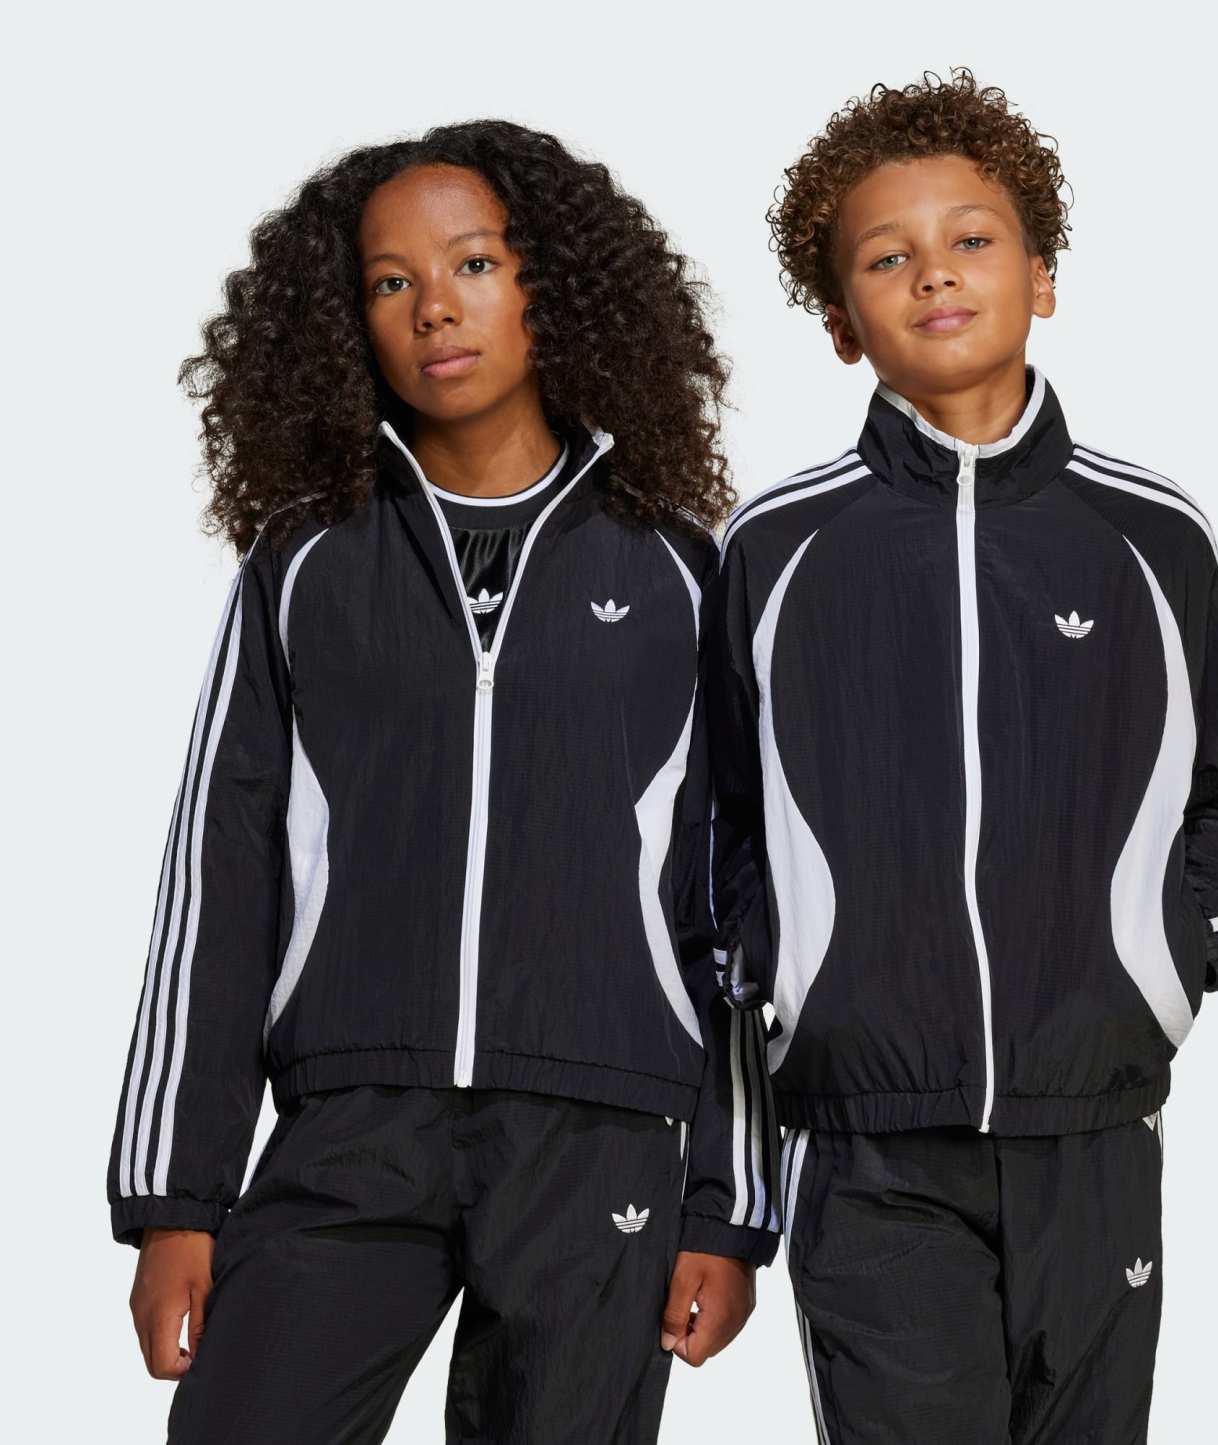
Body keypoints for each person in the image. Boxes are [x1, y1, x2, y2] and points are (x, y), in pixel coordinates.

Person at [108, 119, 778, 1445]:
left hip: (600, 1130)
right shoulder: (306, 565)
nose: (433, 308)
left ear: (550, 285)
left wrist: (729, 1204)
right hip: (353, 1123)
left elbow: (743, 904)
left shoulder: (679, 574)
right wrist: (175, 1197)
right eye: (389, 281)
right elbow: (219, 879)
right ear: (345, 319)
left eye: (473, 263)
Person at [708, 68, 1218, 1442]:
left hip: (1093, 1127)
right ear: (840, 322)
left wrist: (1161, 969)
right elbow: (713, 830)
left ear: (1041, 276)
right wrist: (777, 972)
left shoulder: (1149, 536)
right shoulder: (776, 551)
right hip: (867, 1141)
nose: (933, 273)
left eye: (971, 239)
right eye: (885, 257)